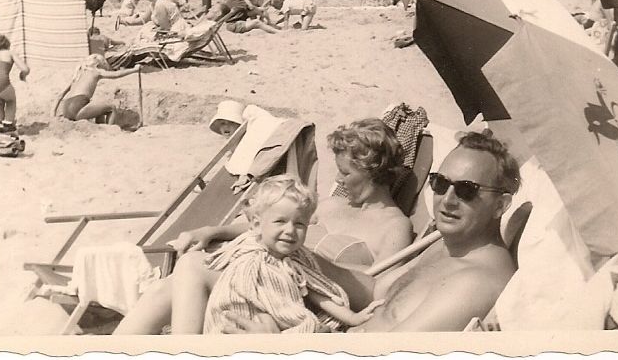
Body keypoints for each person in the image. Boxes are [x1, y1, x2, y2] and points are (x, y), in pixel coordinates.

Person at [115, 118, 413, 334]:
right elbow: (269, 224)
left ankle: (186, 358)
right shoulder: (333, 205)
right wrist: (211, 231)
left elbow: (382, 288)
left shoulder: (394, 226)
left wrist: (306, 262)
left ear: (372, 171)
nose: (338, 181)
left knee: (193, 266)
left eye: (346, 173)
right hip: (268, 279)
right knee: (168, 287)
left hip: (300, 298)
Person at [223, 130, 520, 333]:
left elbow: (385, 357)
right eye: (440, 183)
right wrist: (298, 256)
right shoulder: (448, 244)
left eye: (467, 190)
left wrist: (277, 346)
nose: (448, 200)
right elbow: (378, 288)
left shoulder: (476, 281)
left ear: (500, 204)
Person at [199, 175, 384, 334]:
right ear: (256, 224)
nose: (290, 231)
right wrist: (311, 328)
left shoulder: (293, 257)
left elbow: (317, 290)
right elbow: (287, 313)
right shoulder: (256, 264)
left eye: (299, 224)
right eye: (280, 221)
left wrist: (353, 317)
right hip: (237, 330)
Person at [53, 54, 140, 124]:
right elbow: (116, 74)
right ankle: (110, 131)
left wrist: (52, 115)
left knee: (98, 107)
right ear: (98, 65)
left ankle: (100, 128)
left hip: (65, 109)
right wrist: (134, 70)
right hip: (77, 107)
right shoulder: (96, 72)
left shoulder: (78, 75)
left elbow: (59, 95)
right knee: (111, 108)